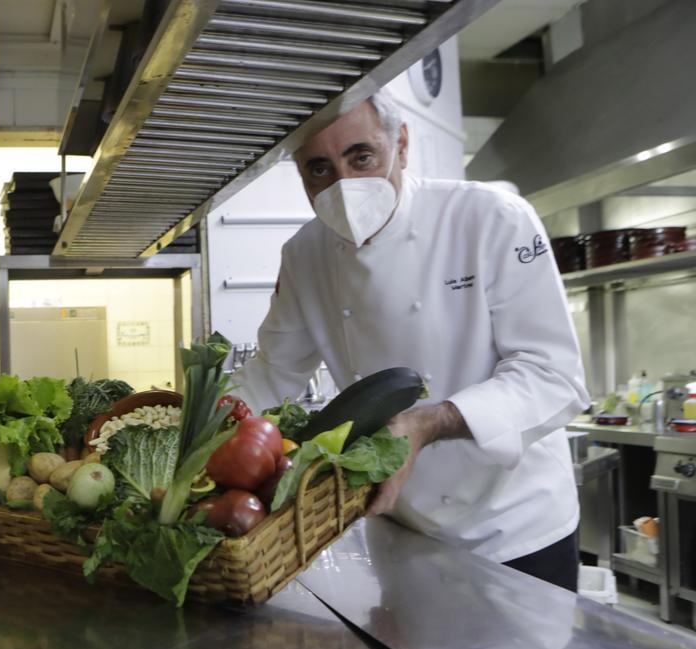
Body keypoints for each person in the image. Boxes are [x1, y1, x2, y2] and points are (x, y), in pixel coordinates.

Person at [233, 90, 589, 591]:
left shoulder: (491, 218)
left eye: (362, 157)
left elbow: (553, 377)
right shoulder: (305, 255)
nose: (343, 185)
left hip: (516, 528)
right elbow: (272, 373)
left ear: (401, 145)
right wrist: (193, 431)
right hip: (403, 526)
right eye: (319, 169)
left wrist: (426, 422)